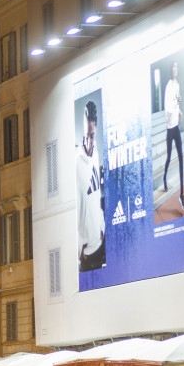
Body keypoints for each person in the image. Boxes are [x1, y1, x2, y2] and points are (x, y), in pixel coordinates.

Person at [77, 99, 106, 272]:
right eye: (87, 137)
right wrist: (79, 248)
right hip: (85, 254)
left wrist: (102, 227)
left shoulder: (95, 153)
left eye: (92, 136)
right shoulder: (75, 162)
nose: (89, 141)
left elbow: (95, 199)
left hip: (100, 243)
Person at [162, 61, 184, 210]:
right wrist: (175, 106)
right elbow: (168, 107)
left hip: (176, 126)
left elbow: (176, 105)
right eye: (173, 67)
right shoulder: (168, 86)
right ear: (170, 70)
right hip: (169, 128)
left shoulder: (177, 85)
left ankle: (182, 195)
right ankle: (164, 179)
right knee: (169, 158)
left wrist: (179, 110)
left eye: (177, 66)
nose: (175, 69)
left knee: (181, 158)